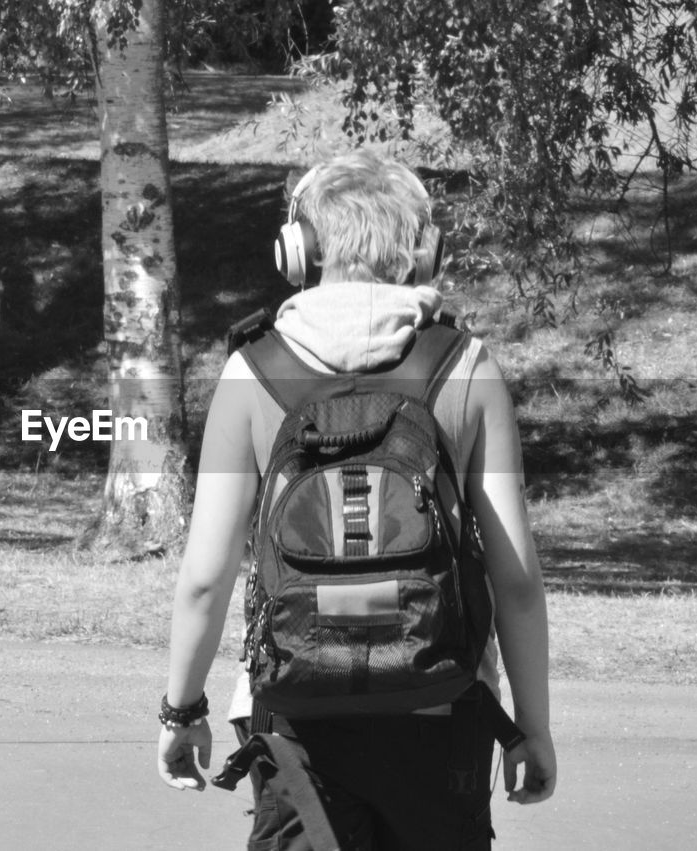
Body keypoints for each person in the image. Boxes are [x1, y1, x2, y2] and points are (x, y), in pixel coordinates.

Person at [155, 149, 556, 849]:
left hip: (296, 717)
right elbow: (515, 579)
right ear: (423, 253)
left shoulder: (254, 371)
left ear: (298, 251)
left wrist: (180, 710)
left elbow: (204, 578)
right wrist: (532, 726)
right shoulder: (465, 366)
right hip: (442, 707)